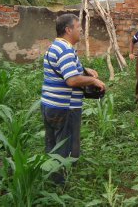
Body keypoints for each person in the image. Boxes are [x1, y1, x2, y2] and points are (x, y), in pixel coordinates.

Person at [41, 14, 105, 183]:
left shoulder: (55, 47)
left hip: (50, 104)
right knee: (65, 146)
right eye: (79, 28)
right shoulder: (66, 50)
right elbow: (71, 80)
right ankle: (60, 184)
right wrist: (93, 80)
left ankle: (51, 177)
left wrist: (85, 69)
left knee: (52, 143)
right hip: (65, 107)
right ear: (68, 30)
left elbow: (66, 70)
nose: (81, 32)